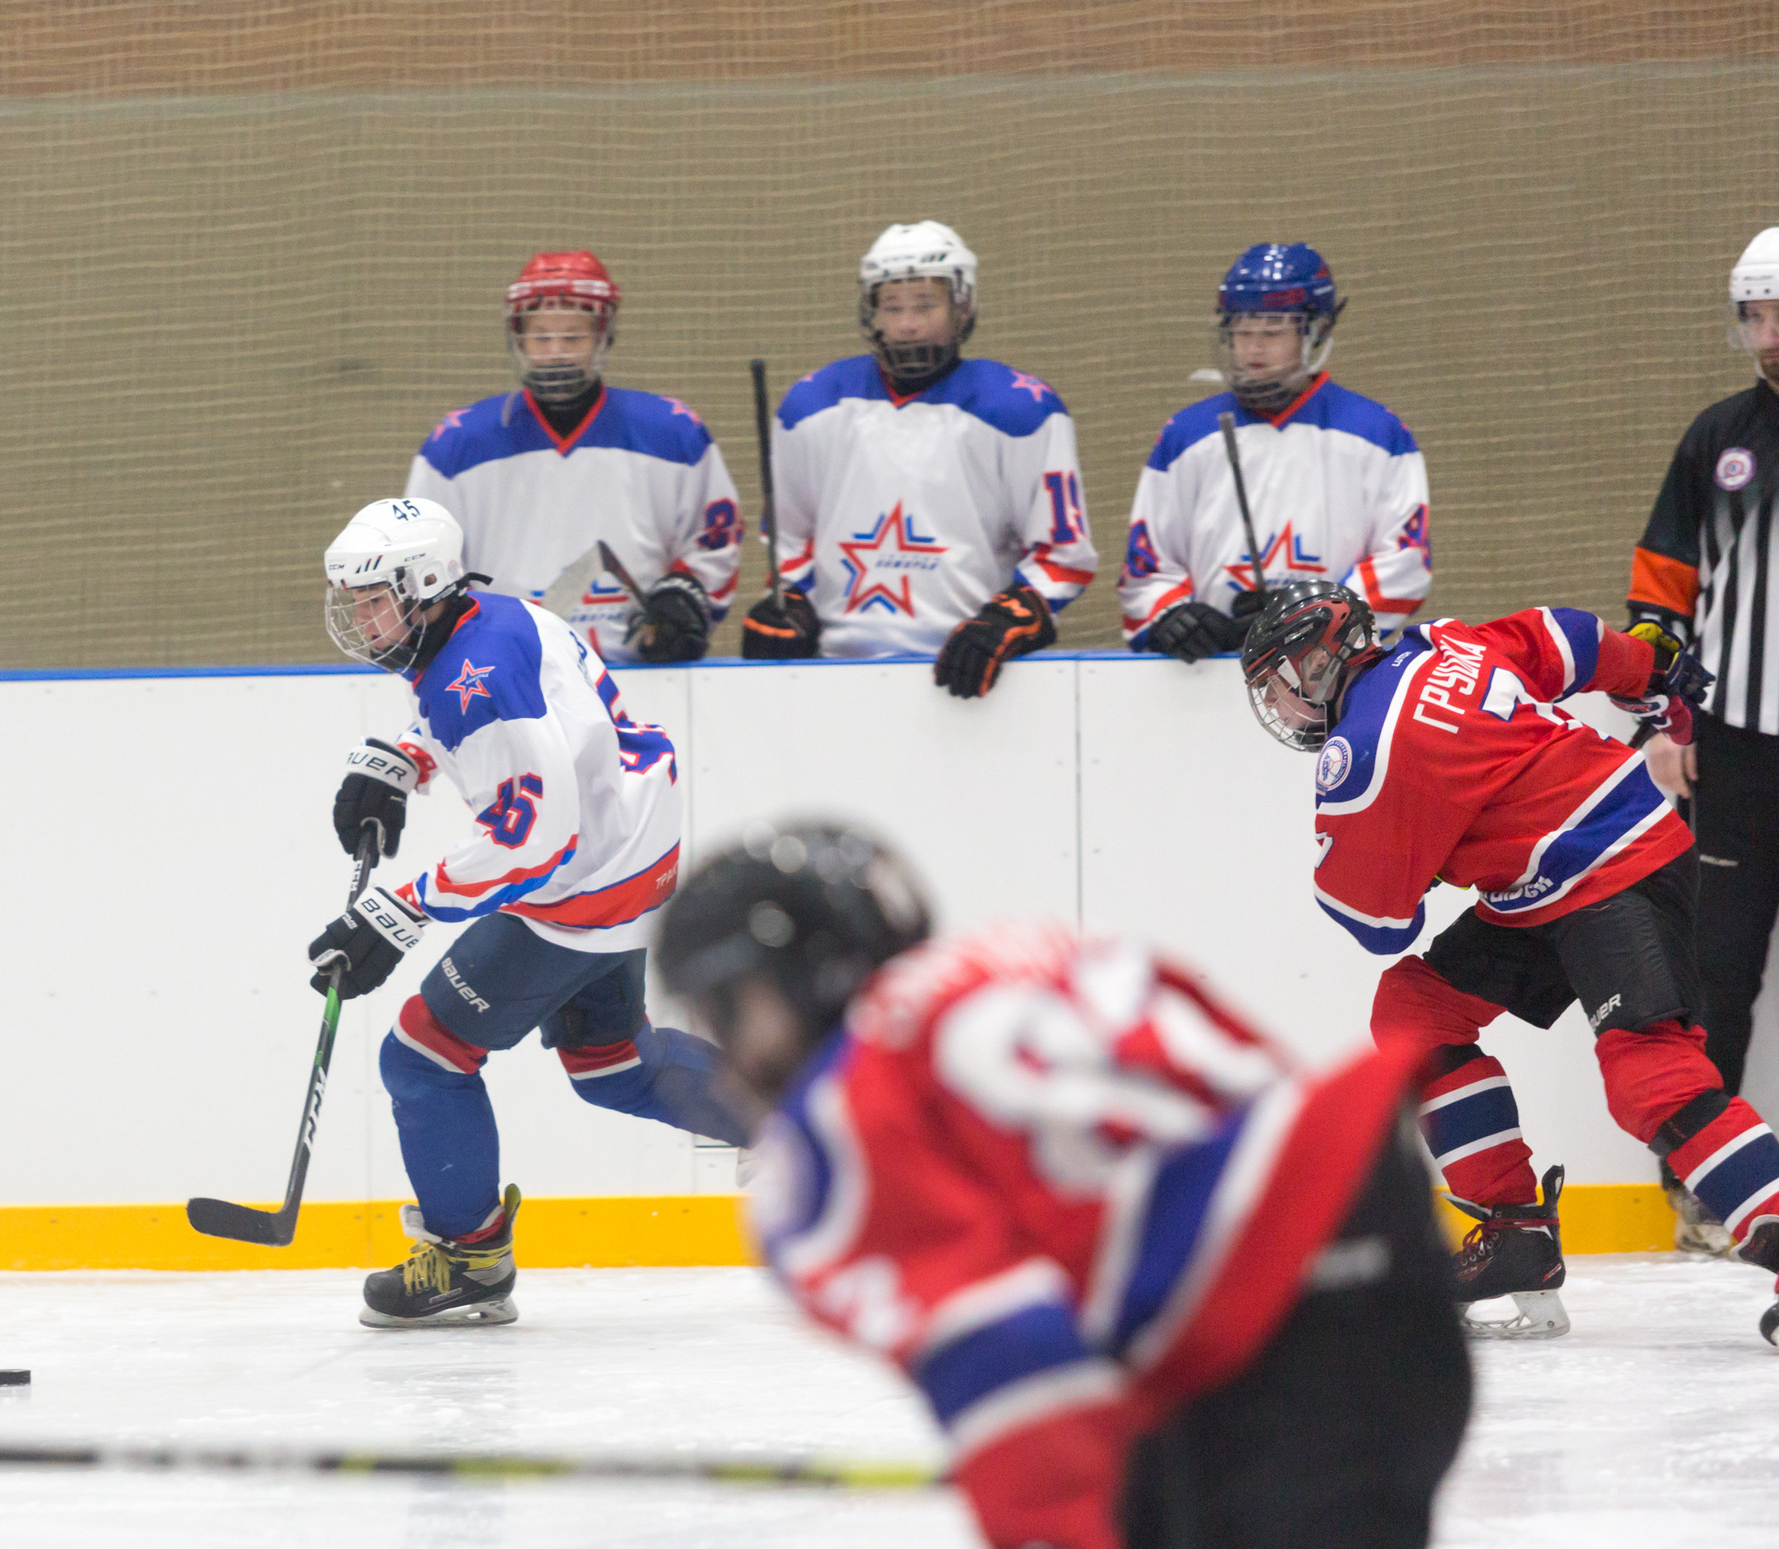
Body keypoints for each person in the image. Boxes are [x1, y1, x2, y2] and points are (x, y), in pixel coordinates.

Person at [656, 821, 1470, 1549]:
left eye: (730, 1009)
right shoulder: (1027, 951)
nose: (727, 1058)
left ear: (801, 975)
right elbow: (1247, 1122)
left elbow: (1014, 1367)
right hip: (1373, 1261)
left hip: (1281, 1342)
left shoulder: (832, 1127)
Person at [1239, 580, 1779, 1345]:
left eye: (1276, 684)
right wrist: (1655, 677)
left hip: (1612, 866)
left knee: (1647, 1079)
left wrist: (1418, 862)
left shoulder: (1359, 755)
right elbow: (1573, 641)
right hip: (1553, 881)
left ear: (1318, 663)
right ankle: (1515, 1230)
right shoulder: (1444, 643)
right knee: (1417, 1010)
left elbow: (1377, 923)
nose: (1279, 706)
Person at [311, 495, 729, 1328]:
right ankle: (806, 1114)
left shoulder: (479, 679)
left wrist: (402, 908)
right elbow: (538, 731)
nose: (361, 617)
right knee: (614, 1066)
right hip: (633, 855)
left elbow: (535, 840)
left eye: (374, 598)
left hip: (581, 887)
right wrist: (407, 756)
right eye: (355, 600)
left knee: (423, 1054)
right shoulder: (493, 615)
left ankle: (469, 1258)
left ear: (426, 583)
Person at [738, 221, 1094, 696]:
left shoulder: (1020, 409)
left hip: (973, 678)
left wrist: (1008, 620)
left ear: (962, 306)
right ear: (872, 311)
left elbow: (1063, 553)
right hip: (832, 677)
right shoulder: (811, 405)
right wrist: (793, 603)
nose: (907, 324)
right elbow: (790, 538)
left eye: (926, 305)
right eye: (893, 307)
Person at [403, 251, 741, 665]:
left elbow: (714, 540)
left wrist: (684, 598)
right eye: (541, 336)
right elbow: (421, 562)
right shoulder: (457, 445)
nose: (556, 352)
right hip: (506, 676)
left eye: (574, 337)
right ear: (518, 338)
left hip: (640, 670)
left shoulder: (673, 432)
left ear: (603, 336)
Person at [1628, 226, 1779, 1144]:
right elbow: (1659, 595)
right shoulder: (1716, 439)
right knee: (1717, 966)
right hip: (1730, 750)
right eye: (1754, 316)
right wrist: (1664, 716)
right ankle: (1703, 1168)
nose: (1769, 334)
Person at [1121, 244, 1431, 662]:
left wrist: (1315, 615)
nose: (1253, 350)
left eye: (1272, 332)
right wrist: (1173, 614)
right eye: (1242, 332)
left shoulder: (1377, 432)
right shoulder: (1186, 435)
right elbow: (1148, 564)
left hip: (1335, 674)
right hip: (1208, 676)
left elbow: (1405, 561)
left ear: (1316, 331)